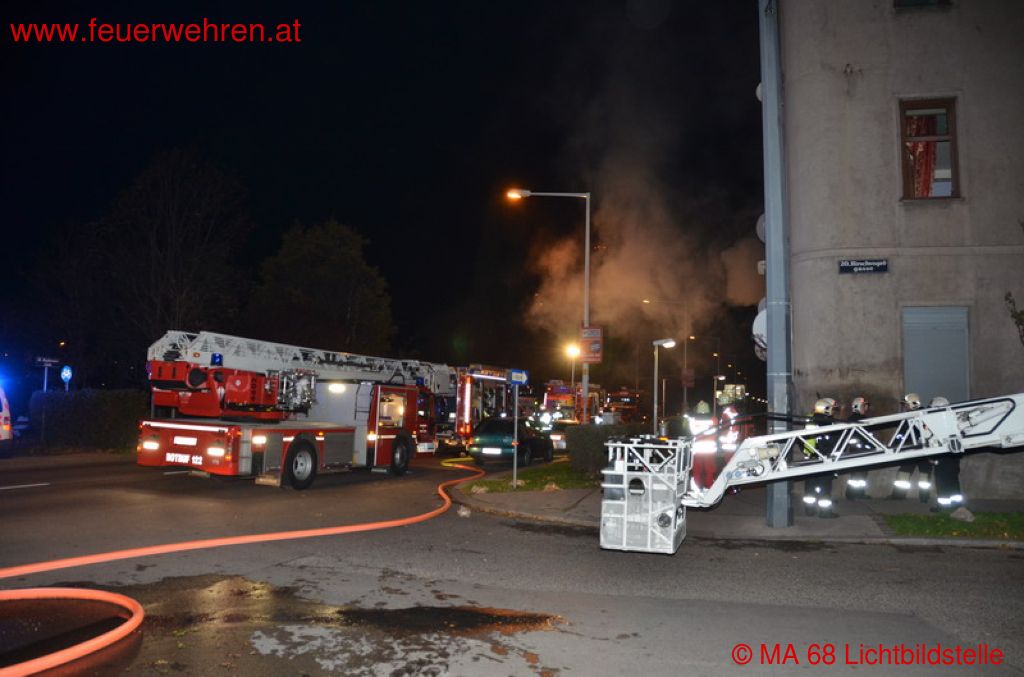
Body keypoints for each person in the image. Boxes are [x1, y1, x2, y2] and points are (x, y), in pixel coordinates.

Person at [890, 393, 933, 501]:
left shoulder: (919, 416)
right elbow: (901, 433)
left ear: (913, 404)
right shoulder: (919, 415)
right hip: (918, 451)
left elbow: (902, 433)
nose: (904, 407)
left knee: (919, 475)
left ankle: (900, 497)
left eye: (906, 405)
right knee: (911, 475)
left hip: (917, 451)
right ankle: (920, 498)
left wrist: (895, 444)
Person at [802, 398, 837, 518]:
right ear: (826, 409)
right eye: (831, 409)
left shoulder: (811, 420)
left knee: (810, 486)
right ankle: (825, 512)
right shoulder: (826, 422)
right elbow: (831, 441)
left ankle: (809, 510)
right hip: (823, 459)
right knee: (825, 486)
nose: (833, 412)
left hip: (810, 458)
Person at [929, 396, 965, 511]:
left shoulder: (941, 423)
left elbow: (935, 442)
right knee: (952, 482)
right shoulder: (953, 420)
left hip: (944, 459)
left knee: (943, 483)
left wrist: (933, 457)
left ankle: (944, 507)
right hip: (952, 458)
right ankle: (955, 506)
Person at [844, 397, 870, 499]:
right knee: (858, 474)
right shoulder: (858, 420)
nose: (866, 408)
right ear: (858, 407)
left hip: (859, 450)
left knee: (858, 474)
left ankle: (854, 494)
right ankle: (856, 494)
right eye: (864, 406)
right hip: (858, 450)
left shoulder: (852, 419)